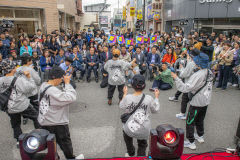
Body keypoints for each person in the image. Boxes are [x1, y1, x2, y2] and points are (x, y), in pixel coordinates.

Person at [38, 66, 84, 159]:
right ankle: (70, 158)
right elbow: (71, 98)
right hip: (56, 122)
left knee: (51, 143)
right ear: (55, 77)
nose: (61, 80)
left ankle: (55, 157)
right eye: (61, 78)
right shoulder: (52, 90)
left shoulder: (43, 85)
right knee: (65, 142)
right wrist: (67, 84)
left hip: (44, 120)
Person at [171, 52, 213, 150]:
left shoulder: (198, 75)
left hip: (197, 102)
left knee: (190, 121)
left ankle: (191, 141)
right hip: (206, 100)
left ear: (199, 63)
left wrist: (176, 78)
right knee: (200, 119)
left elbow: (185, 88)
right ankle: (200, 135)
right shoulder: (209, 72)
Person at [0, 60, 40, 146]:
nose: (15, 68)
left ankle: (19, 140)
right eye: (14, 67)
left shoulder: (0, 80)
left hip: (9, 107)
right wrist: (29, 77)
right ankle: (39, 135)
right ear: (12, 69)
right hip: (22, 105)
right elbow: (31, 87)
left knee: (15, 124)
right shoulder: (18, 80)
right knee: (36, 117)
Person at [119, 74, 160, 157]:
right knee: (142, 145)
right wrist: (156, 97)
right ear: (144, 86)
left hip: (129, 127)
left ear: (132, 86)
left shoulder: (128, 97)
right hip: (144, 129)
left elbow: (121, 106)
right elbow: (155, 110)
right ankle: (140, 157)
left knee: (126, 134)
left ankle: (130, 152)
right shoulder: (149, 98)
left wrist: (124, 94)